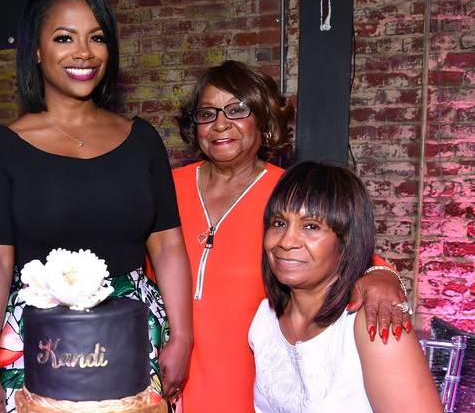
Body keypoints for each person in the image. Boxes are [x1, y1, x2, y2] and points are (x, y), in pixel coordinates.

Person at [0, 0, 193, 413]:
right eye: (64, 37)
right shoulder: (1, 148)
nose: (84, 51)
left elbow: (168, 243)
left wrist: (182, 336)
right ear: (35, 50)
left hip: (136, 338)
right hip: (37, 344)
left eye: (97, 37)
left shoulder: (141, 140)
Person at [172, 60, 412, 411]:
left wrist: (383, 275)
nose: (220, 124)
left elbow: (342, 248)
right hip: (166, 378)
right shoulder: (165, 187)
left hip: (249, 387)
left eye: (237, 110)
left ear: (264, 122)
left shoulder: (287, 193)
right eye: (207, 113)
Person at [249, 161, 442, 412]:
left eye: (311, 227)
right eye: (279, 223)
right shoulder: (264, 319)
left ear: (345, 241)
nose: (286, 241)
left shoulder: (372, 321)